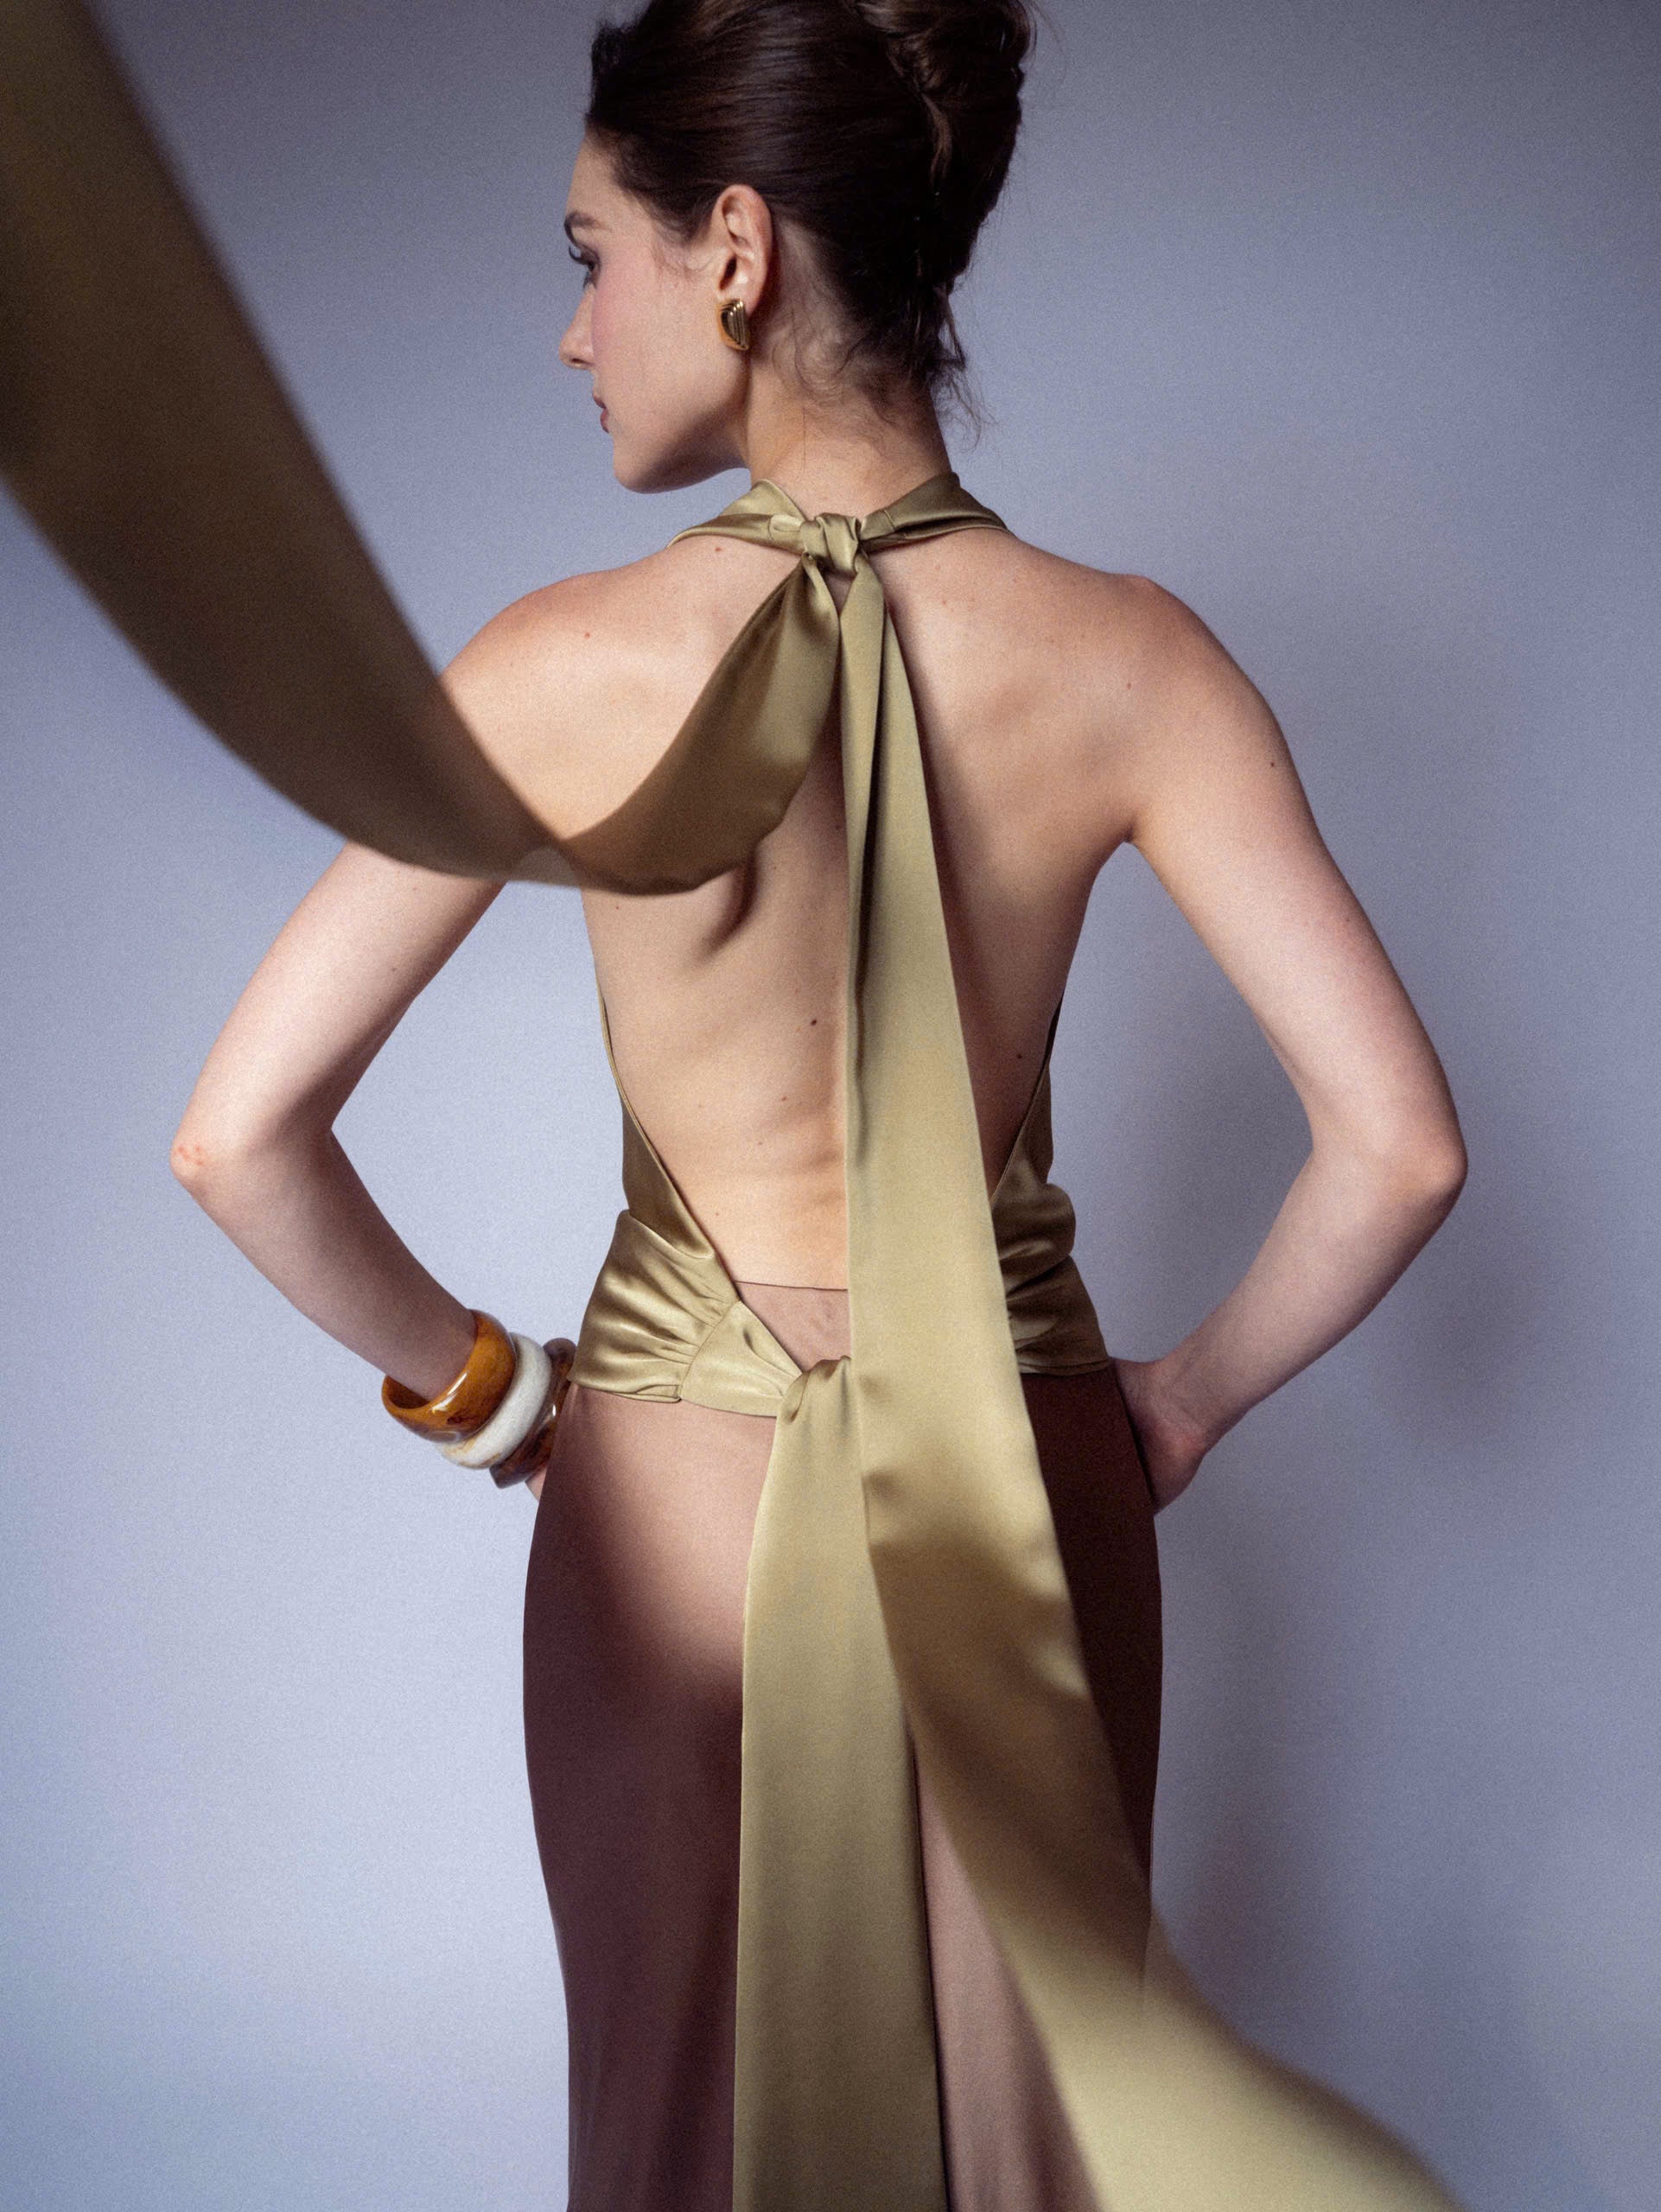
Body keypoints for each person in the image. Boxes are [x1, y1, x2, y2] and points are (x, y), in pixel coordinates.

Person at [9, 0, 1464, 2203]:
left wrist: (499, 1397)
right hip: (1031, 1488)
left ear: (737, 250)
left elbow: (238, 1135)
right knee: (1027, 2139)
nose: (571, 330)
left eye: (590, 253)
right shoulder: (1134, 660)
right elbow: (1401, 1145)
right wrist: (1171, 1410)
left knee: (680, 2120)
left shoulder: (554, 665)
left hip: (668, 1502)